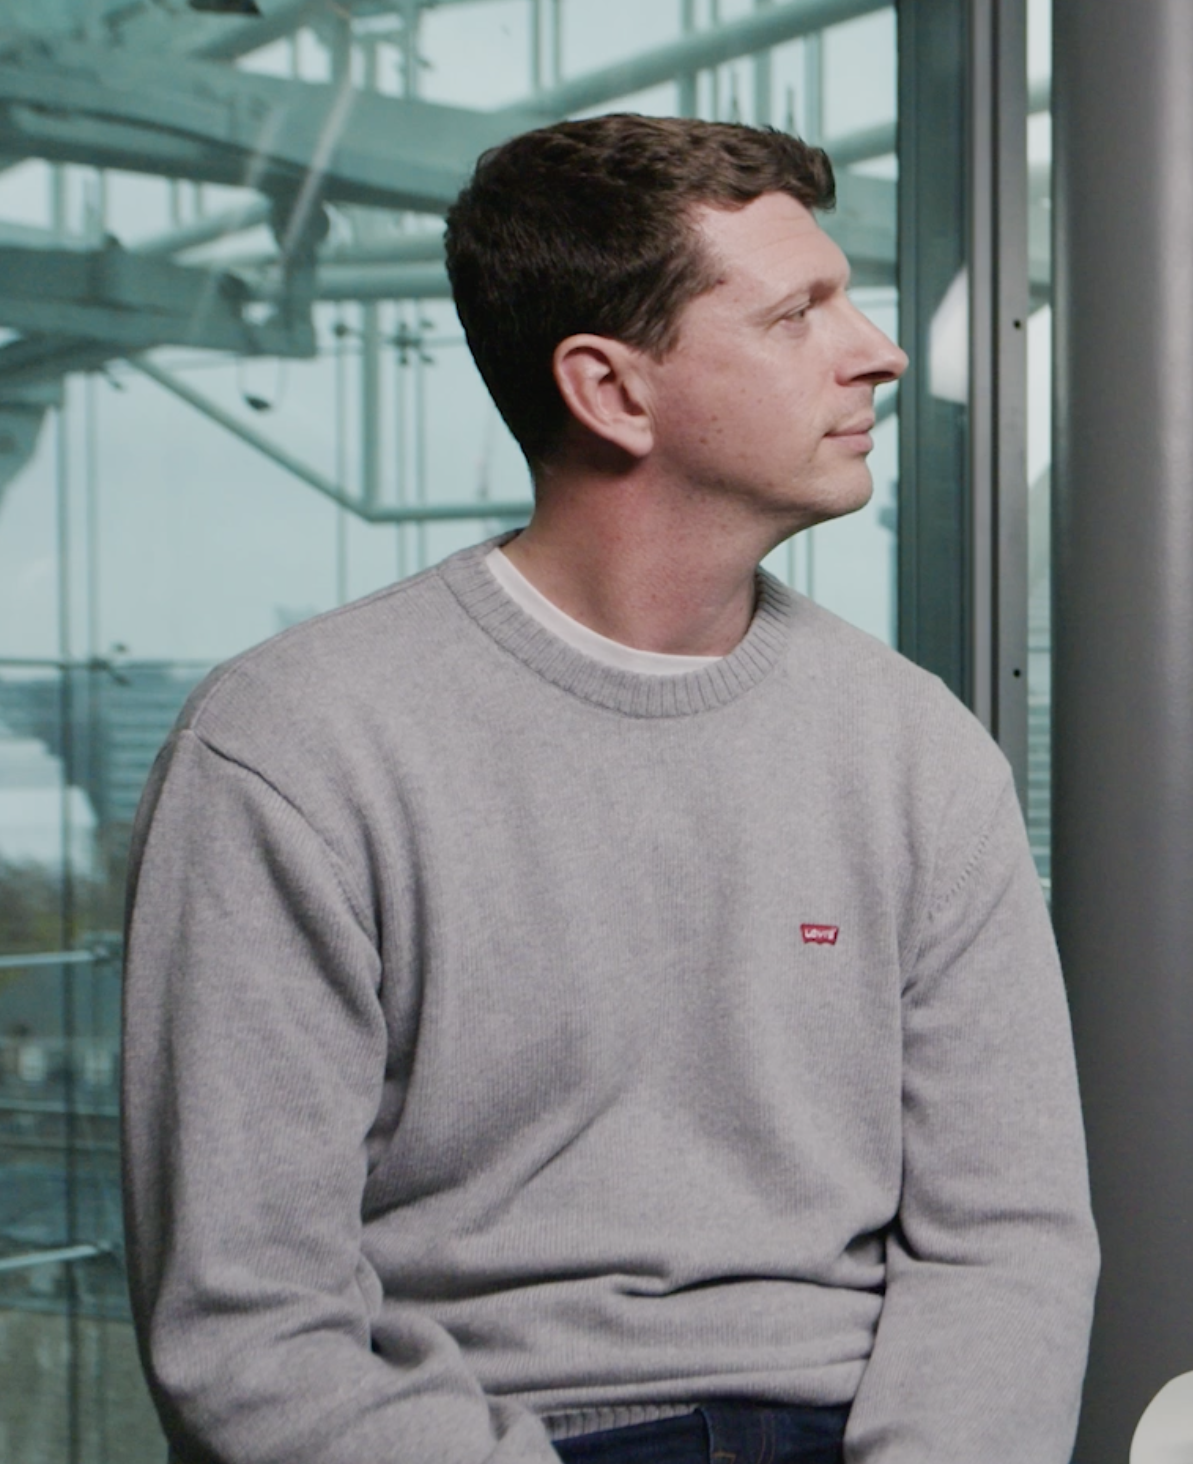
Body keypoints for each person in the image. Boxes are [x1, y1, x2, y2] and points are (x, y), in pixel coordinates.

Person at [119, 116, 1096, 1464]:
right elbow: (251, 1330)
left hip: (861, 1432)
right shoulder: (291, 748)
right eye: (798, 313)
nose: (877, 350)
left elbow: (1009, 1241)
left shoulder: (916, 749)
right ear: (611, 392)